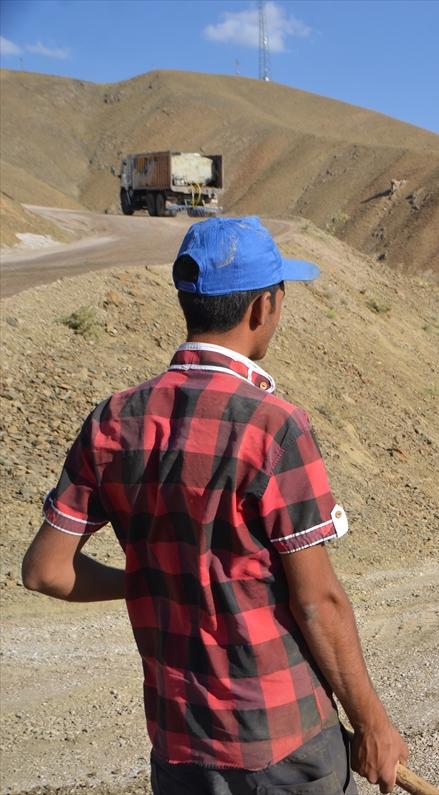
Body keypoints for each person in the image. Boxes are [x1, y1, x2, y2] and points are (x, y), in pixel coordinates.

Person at [22, 217, 408, 794]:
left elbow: (46, 572)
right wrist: (373, 725)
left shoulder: (112, 421)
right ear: (264, 307)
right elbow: (317, 602)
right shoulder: (274, 428)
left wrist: (154, 578)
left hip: (180, 746)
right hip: (282, 742)